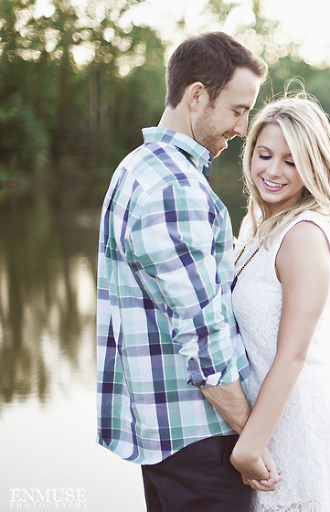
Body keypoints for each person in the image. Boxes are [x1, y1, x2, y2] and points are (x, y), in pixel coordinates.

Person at [96, 32, 280, 512]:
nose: (242, 127)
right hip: (203, 441)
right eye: (238, 110)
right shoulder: (175, 188)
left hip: (164, 438)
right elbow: (204, 338)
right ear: (197, 96)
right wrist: (252, 438)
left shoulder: (135, 168)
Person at [229, 93, 330, 511]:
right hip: (262, 420)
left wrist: (250, 445)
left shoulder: (303, 234)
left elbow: (293, 353)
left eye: (291, 161)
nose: (272, 170)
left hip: (294, 422)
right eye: (264, 154)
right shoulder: (260, 225)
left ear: (313, 166)